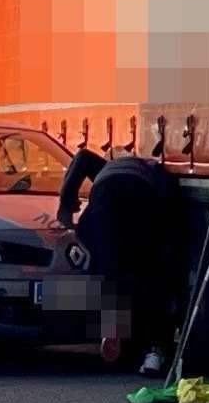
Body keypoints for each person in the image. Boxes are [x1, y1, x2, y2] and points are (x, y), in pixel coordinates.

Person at [56, 147, 193, 376]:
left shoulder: (107, 166)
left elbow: (81, 157)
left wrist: (66, 204)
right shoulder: (153, 167)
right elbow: (170, 207)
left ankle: (113, 329)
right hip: (142, 199)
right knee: (149, 273)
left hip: (103, 199)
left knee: (110, 268)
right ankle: (154, 350)